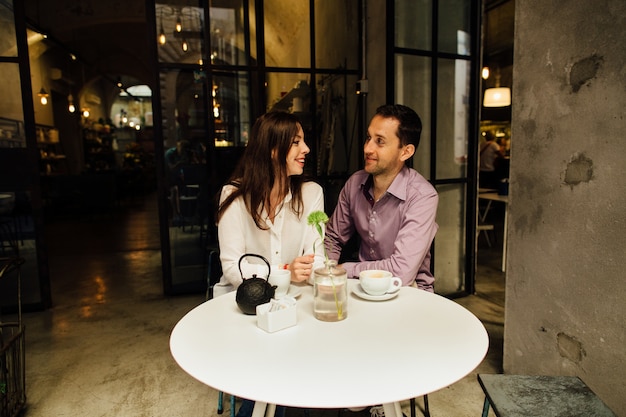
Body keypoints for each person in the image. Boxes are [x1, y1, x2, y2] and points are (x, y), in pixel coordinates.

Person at [214, 111, 325, 417]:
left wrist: (304, 269)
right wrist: (288, 270)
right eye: (297, 143)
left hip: (295, 306)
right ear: (273, 150)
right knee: (267, 377)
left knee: (306, 370)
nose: (307, 150)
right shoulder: (235, 197)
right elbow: (233, 268)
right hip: (246, 309)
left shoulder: (312, 194)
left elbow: (319, 256)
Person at [325, 104, 439, 293]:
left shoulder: (422, 197)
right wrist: (326, 272)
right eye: (369, 138)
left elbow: (402, 271)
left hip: (409, 290)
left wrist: (345, 269)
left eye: (380, 141)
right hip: (363, 287)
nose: (368, 148)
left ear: (406, 152)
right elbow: (333, 238)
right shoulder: (355, 184)